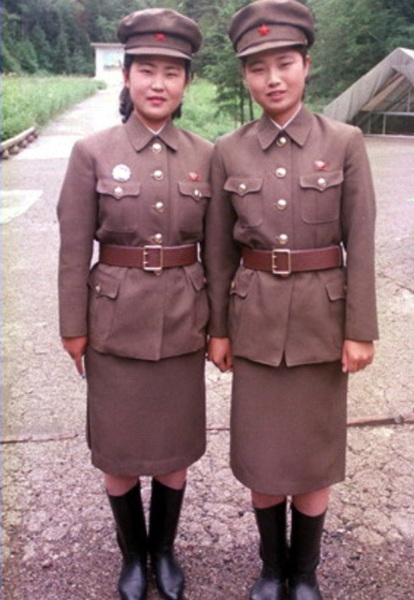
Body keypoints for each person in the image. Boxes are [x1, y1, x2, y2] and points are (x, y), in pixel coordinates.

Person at [205, 1, 378, 599]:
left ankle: (304, 573)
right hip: (253, 321)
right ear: (245, 77)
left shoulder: (345, 141)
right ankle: (271, 568)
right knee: (260, 455)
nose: (272, 78)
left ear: (307, 65)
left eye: (284, 64)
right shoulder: (228, 149)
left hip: (320, 323)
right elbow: (219, 252)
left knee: (312, 454)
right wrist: (218, 330)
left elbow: (361, 240)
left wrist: (360, 328)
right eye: (258, 68)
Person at [57, 8, 212, 600]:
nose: (158, 83)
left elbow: (218, 251)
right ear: (126, 76)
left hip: (183, 319)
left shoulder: (206, 154)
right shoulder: (91, 152)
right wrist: (73, 327)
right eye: (146, 70)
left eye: (172, 73)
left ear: (186, 83)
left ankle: (163, 550)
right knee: (118, 450)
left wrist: (219, 327)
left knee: (174, 448)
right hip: (113, 322)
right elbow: (74, 249)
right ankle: (132, 555)